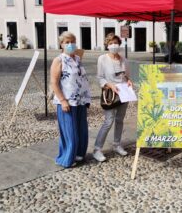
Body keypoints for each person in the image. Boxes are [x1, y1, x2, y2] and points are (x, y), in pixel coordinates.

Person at [50, 31, 91, 168]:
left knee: (81, 130)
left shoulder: (78, 58)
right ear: (61, 44)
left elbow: (81, 79)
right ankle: (66, 158)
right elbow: (54, 83)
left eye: (72, 41)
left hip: (80, 100)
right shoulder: (58, 60)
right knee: (69, 132)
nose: (70, 44)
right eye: (67, 42)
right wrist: (62, 100)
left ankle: (79, 154)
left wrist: (87, 98)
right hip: (67, 101)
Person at [94, 33, 133, 162]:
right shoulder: (102, 59)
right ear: (107, 45)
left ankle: (117, 144)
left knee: (120, 120)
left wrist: (129, 81)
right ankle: (97, 149)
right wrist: (109, 85)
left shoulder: (124, 60)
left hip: (123, 93)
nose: (113, 46)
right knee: (108, 121)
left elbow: (126, 76)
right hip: (110, 93)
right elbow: (100, 77)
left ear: (119, 44)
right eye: (110, 43)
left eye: (115, 43)